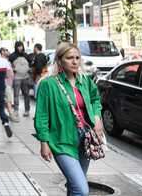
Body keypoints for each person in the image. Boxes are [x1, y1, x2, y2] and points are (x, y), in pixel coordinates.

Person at [34, 42, 104, 196]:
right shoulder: (48, 84)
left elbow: (95, 99)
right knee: (81, 189)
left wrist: (97, 117)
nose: (75, 61)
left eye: (77, 58)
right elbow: (41, 115)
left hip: (85, 139)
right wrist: (44, 142)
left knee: (74, 186)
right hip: (62, 140)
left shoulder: (84, 80)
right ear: (59, 61)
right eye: (69, 58)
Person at [9, 41, 32, 118]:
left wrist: (29, 69)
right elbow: (9, 65)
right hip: (16, 78)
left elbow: (30, 64)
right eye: (18, 46)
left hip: (25, 77)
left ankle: (27, 110)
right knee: (16, 95)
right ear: (16, 47)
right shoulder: (12, 56)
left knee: (26, 94)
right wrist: (13, 69)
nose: (20, 48)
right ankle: (16, 110)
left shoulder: (26, 55)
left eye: (21, 46)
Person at [0, 47, 16, 122]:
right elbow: (4, 73)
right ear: (2, 52)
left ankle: (6, 114)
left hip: (8, 83)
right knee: (8, 100)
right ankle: (11, 115)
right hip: (6, 83)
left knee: (7, 99)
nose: (8, 51)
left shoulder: (7, 61)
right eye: (6, 50)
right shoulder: (3, 61)